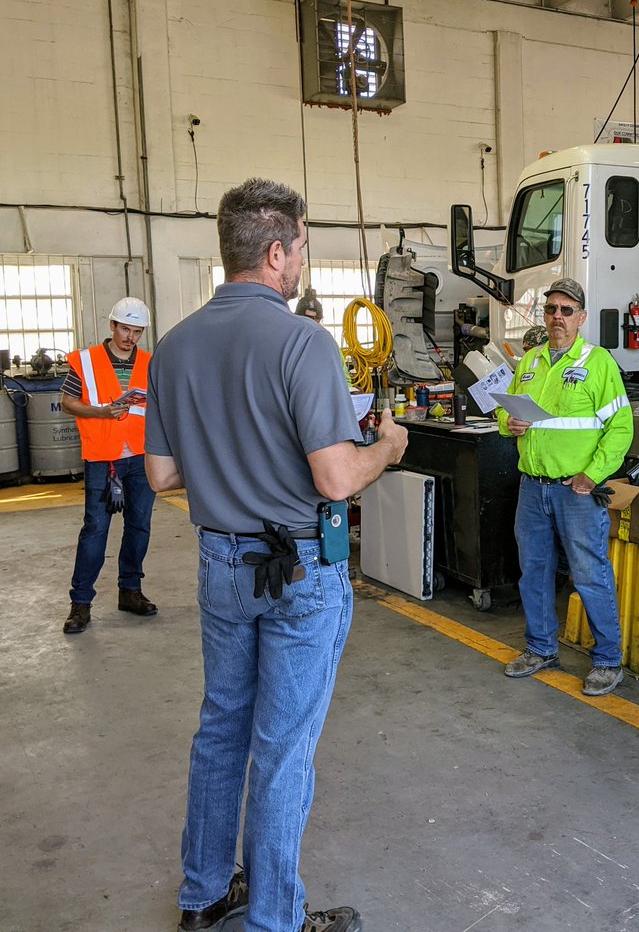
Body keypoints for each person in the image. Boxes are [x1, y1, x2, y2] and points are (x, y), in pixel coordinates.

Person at [144, 178, 409, 932]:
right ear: (274, 252)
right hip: (299, 568)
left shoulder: (173, 347)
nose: (301, 263)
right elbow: (334, 475)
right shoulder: (302, 342)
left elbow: (162, 474)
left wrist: (230, 461)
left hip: (222, 563)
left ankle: (201, 898)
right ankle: (274, 920)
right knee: (284, 747)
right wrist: (384, 446)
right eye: (299, 249)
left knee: (222, 725)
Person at [497, 277, 633, 697]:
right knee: (533, 571)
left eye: (567, 310)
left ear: (582, 317)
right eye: (552, 309)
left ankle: (608, 660)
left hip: (575, 492)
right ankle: (541, 649)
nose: (558, 317)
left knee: (590, 574)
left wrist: (593, 474)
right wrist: (510, 423)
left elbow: (621, 427)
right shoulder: (531, 361)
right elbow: (506, 415)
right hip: (532, 487)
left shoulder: (598, 363)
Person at [61, 297, 158, 634]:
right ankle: (81, 603)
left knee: (139, 526)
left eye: (137, 331)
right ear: (112, 326)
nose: (130, 337)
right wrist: (101, 412)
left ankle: (130, 591)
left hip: (141, 456)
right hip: (103, 458)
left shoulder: (149, 362)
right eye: (125, 329)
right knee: (95, 529)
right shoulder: (85, 361)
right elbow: (67, 401)